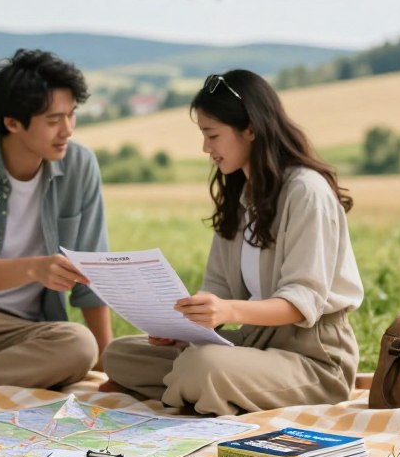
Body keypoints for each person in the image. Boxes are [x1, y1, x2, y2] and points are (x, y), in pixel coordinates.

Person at [101, 69, 363, 416]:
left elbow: (302, 303)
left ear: (250, 130)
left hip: (313, 358)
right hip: (254, 345)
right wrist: (183, 328)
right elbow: (219, 287)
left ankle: (190, 384)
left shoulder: (306, 192)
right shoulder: (242, 195)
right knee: (120, 354)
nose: (206, 148)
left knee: (204, 364)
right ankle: (195, 385)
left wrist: (228, 311)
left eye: (212, 135)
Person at [0, 49, 112, 390]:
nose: (67, 130)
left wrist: (109, 368)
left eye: (72, 115)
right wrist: (37, 268)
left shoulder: (80, 165)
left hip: (24, 332)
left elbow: (91, 276)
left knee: (79, 345)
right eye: (53, 120)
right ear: (12, 123)